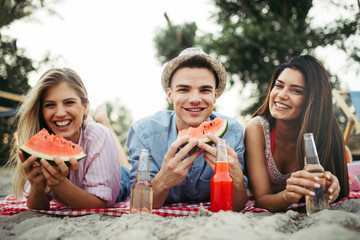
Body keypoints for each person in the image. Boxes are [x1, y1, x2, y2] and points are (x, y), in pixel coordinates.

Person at [127, 47, 248, 211]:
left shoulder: (233, 133)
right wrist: (163, 180)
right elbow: (139, 205)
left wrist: (237, 179)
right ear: (170, 95)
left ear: (215, 95)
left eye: (205, 90)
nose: (195, 99)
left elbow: (238, 206)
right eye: (184, 89)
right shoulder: (144, 133)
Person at [8, 68, 126, 210]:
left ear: (85, 107)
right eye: (50, 105)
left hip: (121, 180)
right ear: (41, 111)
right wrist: (36, 186)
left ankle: (105, 122)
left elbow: (100, 205)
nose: (60, 113)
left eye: (69, 102)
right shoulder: (39, 139)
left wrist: (59, 183)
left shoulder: (97, 135)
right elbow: (38, 207)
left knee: (127, 168)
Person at [244, 55, 349, 212]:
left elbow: (334, 194)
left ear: (312, 100)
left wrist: (331, 187)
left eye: (296, 90)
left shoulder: (327, 133)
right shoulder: (257, 129)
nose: (281, 95)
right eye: (279, 86)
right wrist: (287, 196)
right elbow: (261, 200)